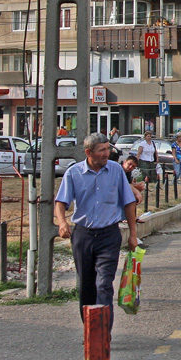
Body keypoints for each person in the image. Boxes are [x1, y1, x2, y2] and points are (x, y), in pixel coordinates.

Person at [54, 133, 138, 330]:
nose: (106, 153)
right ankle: (90, 331)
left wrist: (133, 234)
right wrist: (62, 223)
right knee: (86, 285)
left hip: (109, 235)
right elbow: (61, 202)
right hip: (83, 236)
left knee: (104, 284)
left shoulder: (116, 171)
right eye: (102, 150)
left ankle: (103, 332)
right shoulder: (74, 173)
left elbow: (128, 203)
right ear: (88, 153)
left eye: (108, 149)